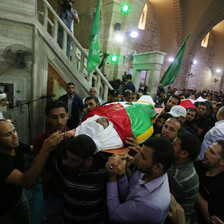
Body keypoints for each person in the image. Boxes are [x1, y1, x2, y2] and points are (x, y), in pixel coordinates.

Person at [0, 119, 63, 223]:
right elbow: (27, 182)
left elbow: (32, 149)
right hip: (3, 205)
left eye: (14, 130)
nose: (15, 136)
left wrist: (49, 144)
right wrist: (45, 149)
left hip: (19, 197)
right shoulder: (2, 163)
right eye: (8, 134)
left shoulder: (15, 145)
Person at [106, 137, 174, 223]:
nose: (135, 157)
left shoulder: (150, 206)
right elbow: (129, 194)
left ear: (157, 167)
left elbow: (113, 214)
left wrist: (112, 176)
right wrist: (123, 172)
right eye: (140, 152)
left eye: (142, 156)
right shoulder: (154, 171)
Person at [48, 134, 110, 224]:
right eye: (67, 156)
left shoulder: (103, 171)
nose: (68, 161)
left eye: (73, 160)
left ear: (89, 160)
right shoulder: (63, 164)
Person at [33, 100, 70, 224]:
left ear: (68, 116)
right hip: (52, 190)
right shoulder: (41, 140)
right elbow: (36, 170)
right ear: (48, 119)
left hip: (73, 190)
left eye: (62, 116)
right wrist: (46, 148)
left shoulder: (77, 137)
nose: (59, 121)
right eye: (54, 117)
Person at [168, 133, 201, 224]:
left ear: (183, 154)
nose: (171, 144)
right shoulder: (185, 165)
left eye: (174, 144)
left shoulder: (177, 177)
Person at [195, 140, 224, 223]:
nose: (205, 152)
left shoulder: (221, 186)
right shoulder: (202, 165)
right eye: (208, 149)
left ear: (222, 162)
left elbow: (210, 217)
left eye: (211, 152)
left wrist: (193, 188)